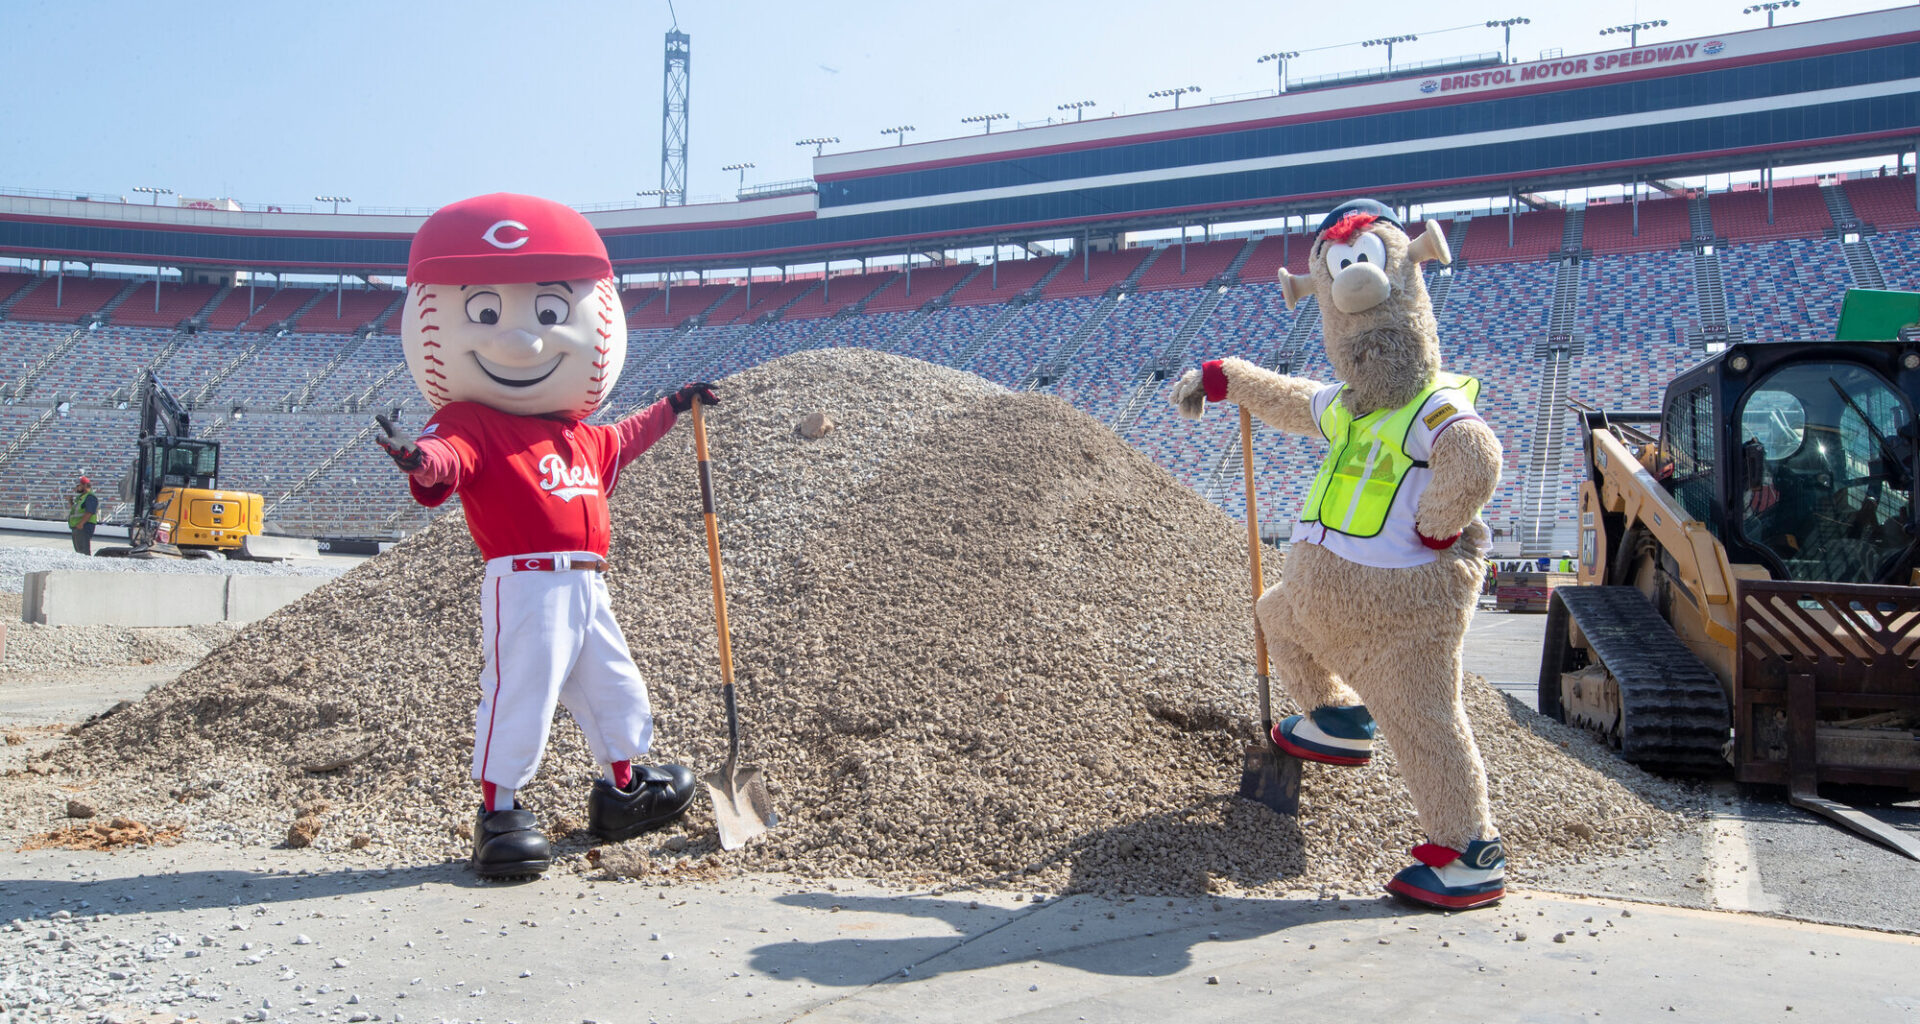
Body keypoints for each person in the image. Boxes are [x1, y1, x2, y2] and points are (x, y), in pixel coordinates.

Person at [375, 192, 717, 879]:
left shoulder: (580, 435)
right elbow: (447, 459)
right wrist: (419, 459)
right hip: (526, 581)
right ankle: (498, 812)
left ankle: (624, 790)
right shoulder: (473, 421)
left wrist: (673, 407)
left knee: (615, 686)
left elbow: (626, 436)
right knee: (521, 691)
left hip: (588, 581)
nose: (523, 341)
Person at [67, 476, 99, 555]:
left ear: (84, 485)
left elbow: (89, 512)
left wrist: (81, 524)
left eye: (78, 486)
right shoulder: (81, 497)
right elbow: (75, 511)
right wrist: (70, 502)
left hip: (84, 526)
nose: (76, 488)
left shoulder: (90, 497)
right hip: (78, 526)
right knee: (79, 551)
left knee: (83, 551)